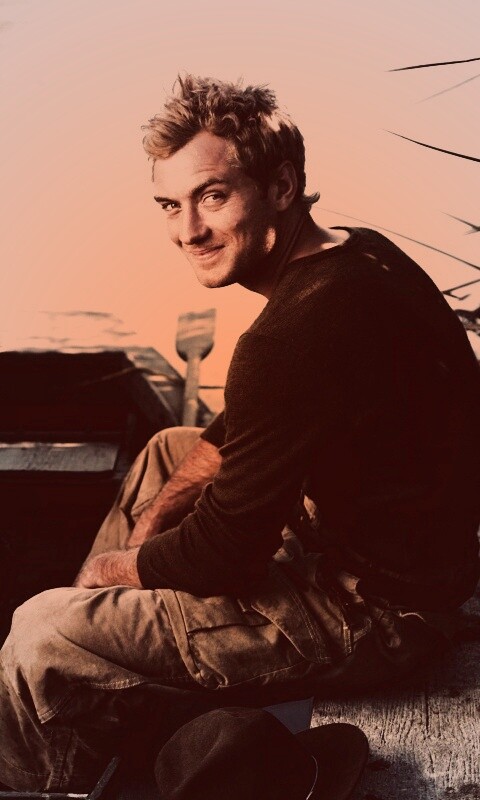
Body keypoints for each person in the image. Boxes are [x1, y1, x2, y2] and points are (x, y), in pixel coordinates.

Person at [0, 75, 479, 793]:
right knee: (168, 450)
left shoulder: (290, 336)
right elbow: (239, 427)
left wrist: (108, 573)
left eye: (213, 197)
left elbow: (219, 556)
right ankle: (113, 661)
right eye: (171, 205)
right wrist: (150, 534)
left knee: (42, 630)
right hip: (397, 550)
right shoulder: (356, 255)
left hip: (379, 613)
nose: (188, 231)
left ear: (282, 186)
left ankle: (50, 774)